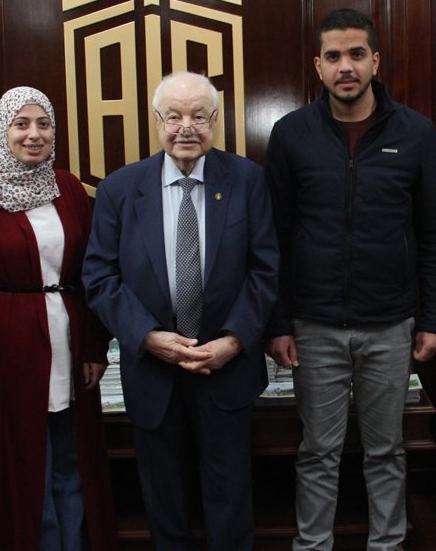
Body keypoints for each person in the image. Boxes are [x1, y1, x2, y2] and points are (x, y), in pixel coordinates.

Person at [264, 8, 436, 550]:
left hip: (390, 325)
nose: (345, 67)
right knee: (317, 451)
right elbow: (273, 237)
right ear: (318, 66)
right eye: (333, 57)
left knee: (386, 450)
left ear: (374, 59)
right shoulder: (291, 134)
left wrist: (435, 318)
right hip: (313, 326)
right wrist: (277, 323)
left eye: (355, 55)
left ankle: (387, 545)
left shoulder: (415, 132)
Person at [82, 71, 279, 551]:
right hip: (153, 370)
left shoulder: (248, 180)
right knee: (163, 499)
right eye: (174, 116)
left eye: (198, 116)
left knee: (229, 495)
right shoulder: (119, 189)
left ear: (216, 121)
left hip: (226, 368)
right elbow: (99, 277)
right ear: (156, 122)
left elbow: (266, 270)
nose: (185, 127)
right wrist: (148, 337)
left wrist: (234, 341)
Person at [0, 87, 118, 551]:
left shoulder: (69, 187)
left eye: (43, 124)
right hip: (5, 347)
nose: (33, 134)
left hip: (71, 341)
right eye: (21, 124)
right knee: (22, 466)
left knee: (71, 460)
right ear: (3, 129)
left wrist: (96, 348)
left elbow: (92, 275)